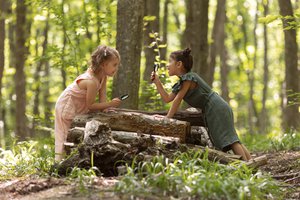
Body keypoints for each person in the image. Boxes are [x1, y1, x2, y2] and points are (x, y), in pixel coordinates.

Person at [151, 48, 251, 161]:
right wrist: (157, 82)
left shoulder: (189, 78)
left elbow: (177, 100)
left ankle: (246, 167)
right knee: (233, 139)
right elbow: (168, 98)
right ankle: (251, 166)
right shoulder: (183, 82)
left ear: (179, 64)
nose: (167, 65)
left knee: (231, 140)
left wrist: (167, 118)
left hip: (216, 107)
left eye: (170, 62)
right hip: (217, 107)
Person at [55, 45, 122, 162]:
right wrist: (110, 104)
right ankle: (59, 164)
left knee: (75, 134)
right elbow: (90, 105)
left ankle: (74, 162)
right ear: (103, 64)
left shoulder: (102, 77)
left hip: (78, 106)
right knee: (63, 136)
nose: (116, 68)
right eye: (114, 65)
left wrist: (105, 108)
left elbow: (102, 96)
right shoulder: (91, 81)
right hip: (67, 105)